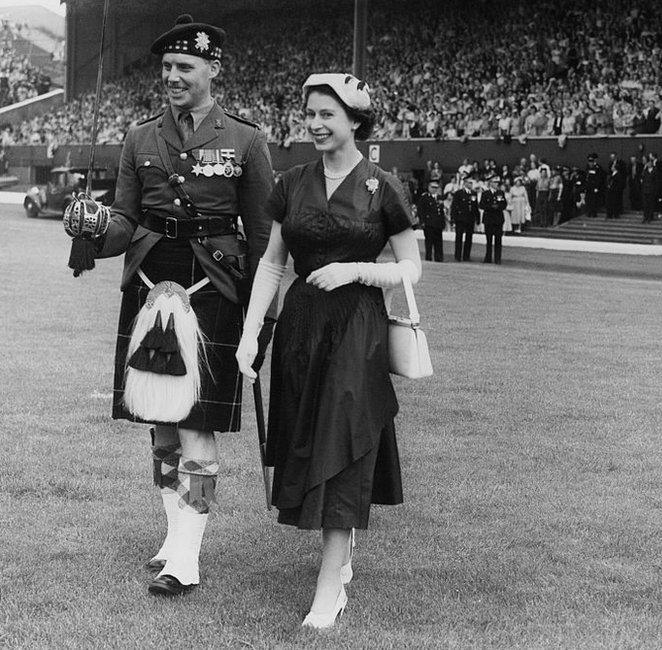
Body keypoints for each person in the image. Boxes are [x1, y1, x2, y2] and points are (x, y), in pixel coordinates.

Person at [65, 14, 274, 597]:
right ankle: (174, 527)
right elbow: (127, 221)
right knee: (159, 423)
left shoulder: (246, 140)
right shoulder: (139, 137)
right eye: (166, 68)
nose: (173, 77)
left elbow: (262, 239)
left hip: (214, 290)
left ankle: (186, 552)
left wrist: (264, 317)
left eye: (185, 67)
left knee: (198, 425)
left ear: (213, 70)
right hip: (150, 285)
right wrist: (92, 230)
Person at [235, 72, 421, 631]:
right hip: (300, 328)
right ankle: (339, 555)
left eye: (327, 115)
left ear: (355, 122)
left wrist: (355, 271)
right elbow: (273, 263)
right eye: (309, 114)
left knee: (343, 440)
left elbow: (412, 268)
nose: (314, 124)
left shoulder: (383, 187)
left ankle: (329, 582)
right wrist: (251, 335)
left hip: (358, 331)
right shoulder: (291, 182)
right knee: (309, 440)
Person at [480, 175, 507, 263]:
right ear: (490, 183)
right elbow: (481, 205)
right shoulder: (485, 194)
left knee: (498, 240)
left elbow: (504, 204)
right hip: (489, 219)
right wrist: (491, 207)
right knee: (489, 240)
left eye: (497, 183)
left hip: (498, 219)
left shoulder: (500, 193)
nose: (496, 184)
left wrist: (498, 206)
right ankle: (488, 257)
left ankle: (497, 258)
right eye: (494, 182)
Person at [417, 180, 446, 261]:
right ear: (429, 187)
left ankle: (439, 257)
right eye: (432, 187)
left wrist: (442, 222)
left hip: (438, 223)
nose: (434, 189)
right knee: (429, 241)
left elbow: (441, 212)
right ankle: (428, 257)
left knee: (439, 242)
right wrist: (422, 221)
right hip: (429, 223)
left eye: (436, 187)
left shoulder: (439, 198)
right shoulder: (425, 197)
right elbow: (421, 210)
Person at [451, 176, 478, 261]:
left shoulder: (473, 193)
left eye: (471, 183)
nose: (470, 184)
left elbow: (475, 206)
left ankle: (466, 256)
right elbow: (454, 206)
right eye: (469, 183)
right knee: (459, 237)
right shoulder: (459, 193)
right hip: (461, 218)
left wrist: (477, 217)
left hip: (470, 218)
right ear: (465, 183)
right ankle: (458, 256)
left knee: (469, 238)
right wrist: (453, 218)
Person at [641, 153, 662, 222]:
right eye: (648, 163)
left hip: (652, 190)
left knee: (651, 204)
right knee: (645, 204)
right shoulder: (645, 171)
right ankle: (645, 217)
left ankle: (650, 217)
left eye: (650, 163)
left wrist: (655, 190)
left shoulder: (655, 171)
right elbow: (643, 180)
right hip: (645, 190)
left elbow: (657, 182)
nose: (649, 164)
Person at [582, 153, 606, 219]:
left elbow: (599, 178)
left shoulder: (597, 168)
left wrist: (597, 187)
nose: (590, 163)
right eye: (589, 161)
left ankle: (593, 212)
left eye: (591, 161)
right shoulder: (587, 167)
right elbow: (586, 176)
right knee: (588, 199)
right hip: (588, 186)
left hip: (594, 186)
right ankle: (589, 212)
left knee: (594, 200)